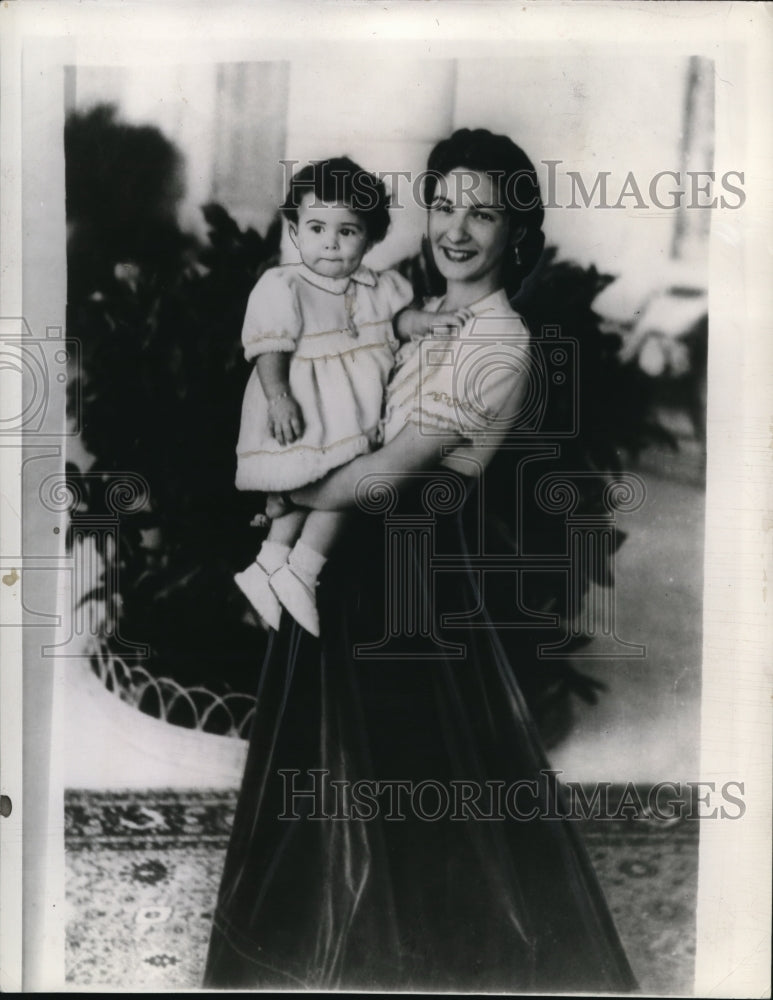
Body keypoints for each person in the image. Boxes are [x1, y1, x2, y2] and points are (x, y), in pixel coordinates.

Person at [204, 129, 638, 992]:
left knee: (397, 786)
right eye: (444, 205)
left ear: (517, 234)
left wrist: (282, 503)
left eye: (483, 214)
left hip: (410, 579)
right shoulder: (409, 305)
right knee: (326, 774)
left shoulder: (498, 342)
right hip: (349, 563)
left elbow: (380, 474)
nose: (457, 229)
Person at [234, 157, 468, 636]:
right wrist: (278, 396)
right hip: (307, 408)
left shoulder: (377, 286)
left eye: (348, 231)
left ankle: (269, 566)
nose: (331, 243)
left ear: (372, 237)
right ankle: (298, 569)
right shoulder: (285, 285)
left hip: (352, 413)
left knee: (335, 485)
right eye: (317, 227)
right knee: (329, 484)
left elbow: (395, 322)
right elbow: (268, 347)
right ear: (295, 230)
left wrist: (422, 324)